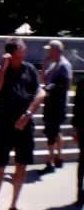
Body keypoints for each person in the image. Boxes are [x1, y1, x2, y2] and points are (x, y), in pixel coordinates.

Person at [0, 38, 45, 210]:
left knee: (22, 164)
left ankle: (14, 204)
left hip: (25, 124)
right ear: (10, 55)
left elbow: (41, 92)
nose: (22, 58)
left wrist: (28, 114)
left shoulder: (30, 69)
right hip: (4, 124)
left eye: (23, 55)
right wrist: (4, 67)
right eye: (18, 56)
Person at [39, 40, 72, 175]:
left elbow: (67, 85)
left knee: (51, 133)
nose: (48, 52)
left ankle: (50, 161)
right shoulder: (53, 65)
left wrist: (51, 88)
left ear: (56, 50)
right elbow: (43, 80)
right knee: (55, 131)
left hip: (57, 105)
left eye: (50, 50)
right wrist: (44, 65)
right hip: (51, 104)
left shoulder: (64, 65)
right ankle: (59, 157)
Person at [73, 77, 84, 207]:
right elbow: (77, 108)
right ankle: (80, 193)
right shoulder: (82, 84)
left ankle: (80, 193)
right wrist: (75, 130)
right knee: (82, 162)